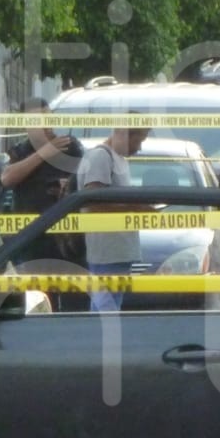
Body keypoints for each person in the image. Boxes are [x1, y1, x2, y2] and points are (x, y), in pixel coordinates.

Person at [0, 98, 86, 277]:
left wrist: (68, 185)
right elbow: (7, 179)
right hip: (30, 238)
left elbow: (86, 183)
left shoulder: (69, 147)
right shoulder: (20, 151)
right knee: (36, 295)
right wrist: (44, 153)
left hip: (65, 239)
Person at [75, 125, 150, 312]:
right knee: (105, 307)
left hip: (119, 250)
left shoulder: (118, 159)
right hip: (106, 251)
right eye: (138, 141)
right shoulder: (100, 157)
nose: (139, 148)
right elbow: (93, 202)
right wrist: (135, 208)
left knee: (110, 304)